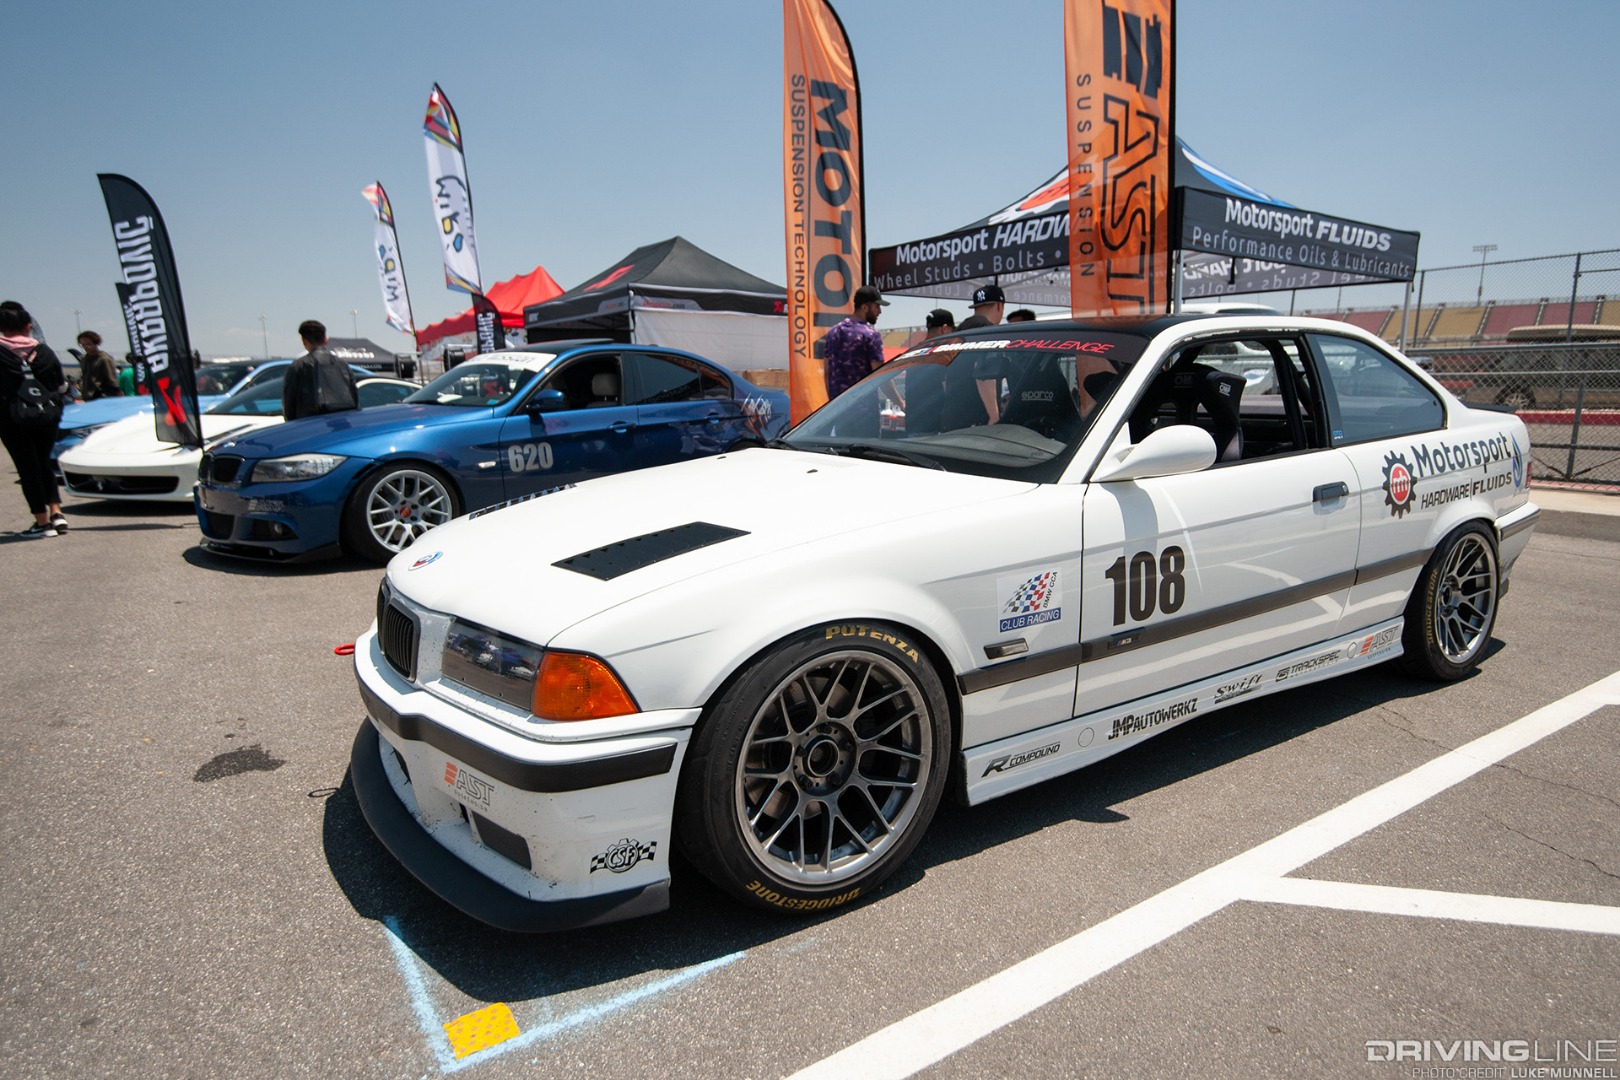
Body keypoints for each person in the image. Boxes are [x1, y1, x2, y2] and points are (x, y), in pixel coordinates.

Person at [0, 300, 68, 538]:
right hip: (46, 416)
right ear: (28, 326)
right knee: (44, 463)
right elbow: (61, 385)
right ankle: (57, 512)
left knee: (27, 468)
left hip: (12, 418)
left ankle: (41, 522)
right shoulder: (45, 352)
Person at [944, 283, 1008, 426]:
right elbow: (985, 374)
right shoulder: (989, 331)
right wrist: (994, 415)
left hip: (952, 414)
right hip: (976, 418)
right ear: (999, 305)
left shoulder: (959, 330)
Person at [282, 319, 358, 421]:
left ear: (304, 341)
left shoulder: (297, 367)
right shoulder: (342, 365)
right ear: (325, 339)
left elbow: (289, 406)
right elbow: (355, 398)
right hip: (343, 424)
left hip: (310, 427)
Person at [822, 285, 888, 400]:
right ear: (864, 308)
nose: (880, 311)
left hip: (836, 410)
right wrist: (901, 403)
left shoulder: (833, 332)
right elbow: (881, 376)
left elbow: (827, 374)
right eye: (877, 306)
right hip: (863, 409)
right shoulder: (870, 335)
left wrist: (831, 404)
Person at [77, 330, 121, 400]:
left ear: (96, 343)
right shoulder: (84, 359)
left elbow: (112, 381)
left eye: (88, 344)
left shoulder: (104, 359)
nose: (86, 347)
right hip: (88, 397)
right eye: (83, 345)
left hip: (102, 398)